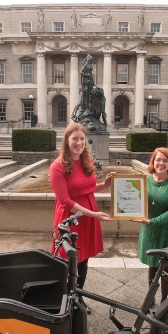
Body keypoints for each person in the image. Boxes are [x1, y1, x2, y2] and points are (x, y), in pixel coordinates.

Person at [50, 123, 114, 311]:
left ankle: (79, 298)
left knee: (83, 258)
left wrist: (105, 185)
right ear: (67, 141)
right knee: (68, 260)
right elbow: (65, 201)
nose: (79, 143)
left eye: (81, 139)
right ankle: (65, 301)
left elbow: (87, 188)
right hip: (71, 218)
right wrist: (93, 214)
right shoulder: (57, 167)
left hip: (87, 215)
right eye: (74, 139)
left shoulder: (86, 160)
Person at [132, 148, 168, 304]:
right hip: (149, 231)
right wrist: (132, 185)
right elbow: (134, 201)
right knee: (152, 264)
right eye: (157, 160)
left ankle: (165, 301)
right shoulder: (145, 180)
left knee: (166, 266)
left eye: (164, 160)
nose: (160, 163)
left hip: (167, 230)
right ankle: (150, 298)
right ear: (152, 162)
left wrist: (152, 221)